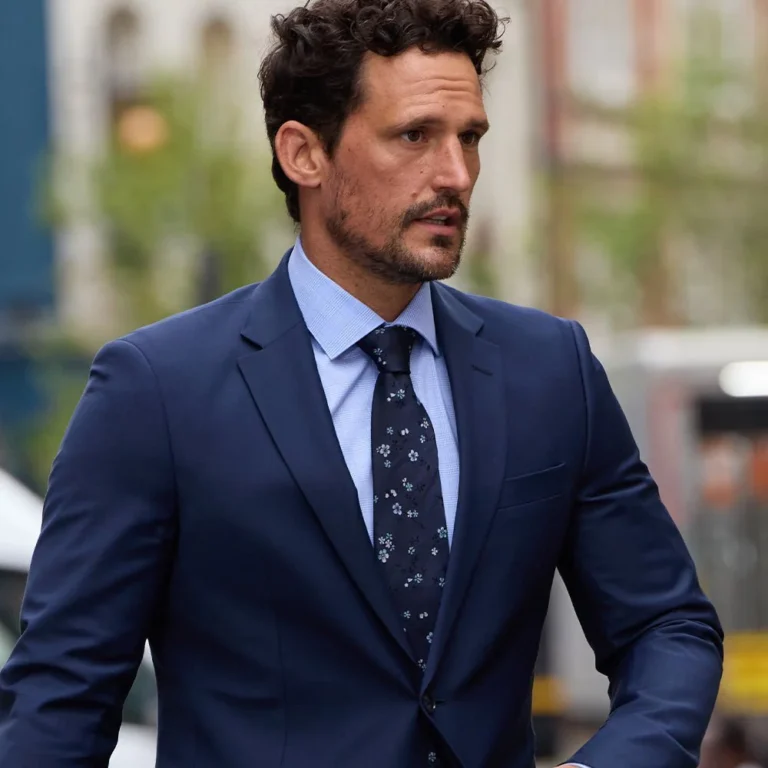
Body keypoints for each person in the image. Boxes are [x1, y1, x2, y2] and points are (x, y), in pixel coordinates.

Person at [0, 1, 723, 766]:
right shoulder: (155, 392)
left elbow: (667, 627)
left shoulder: (549, 370)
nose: (455, 175)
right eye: (415, 136)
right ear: (303, 154)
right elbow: (60, 704)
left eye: (470, 138)